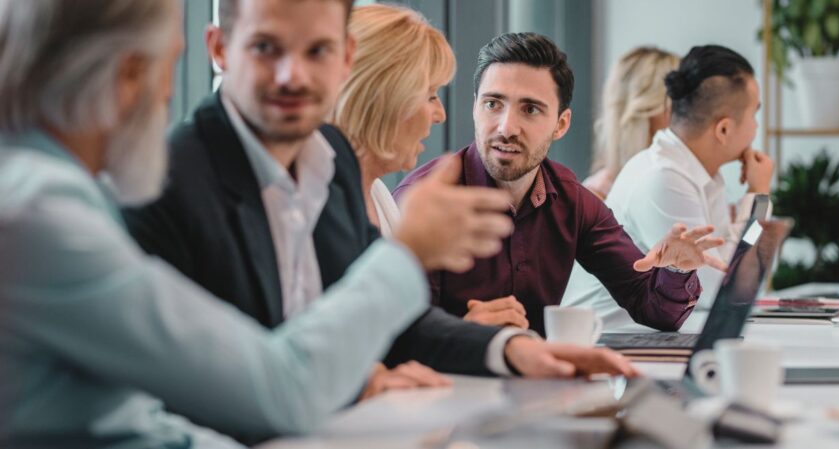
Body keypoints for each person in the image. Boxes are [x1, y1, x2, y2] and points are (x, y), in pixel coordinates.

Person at [0, 1, 620, 447]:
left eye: (318, 50)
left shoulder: (332, 165)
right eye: (266, 47)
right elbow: (258, 386)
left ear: (345, 59)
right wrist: (406, 256)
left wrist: (512, 352)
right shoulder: (140, 189)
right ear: (216, 52)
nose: (293, 75)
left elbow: (381, 322)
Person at [394, 33, 727, 336]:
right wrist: (462, 335)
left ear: (561, 124)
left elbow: (654, 309)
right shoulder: (422, 200)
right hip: (444, 391)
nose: (506, 127)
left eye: (530, 109)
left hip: (537, 388)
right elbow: (387, 339)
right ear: (474, 108)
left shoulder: (573, 201)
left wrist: (675, 269)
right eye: (493, 104)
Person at [563, 45, 775, 330]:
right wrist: (759, 195)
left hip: (647, 343)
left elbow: (735, 273)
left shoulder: (697, 174)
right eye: (754, 116)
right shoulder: (662, 178)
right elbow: (727, 292)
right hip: (611, 350)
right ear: (724, 129)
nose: (755, 128)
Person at [332, 4, 451, 237]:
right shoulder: (314, 203)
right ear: (384, 100)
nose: (440, 114)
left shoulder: (377, 193)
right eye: (430, 96)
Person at [582, 47, 679, 200]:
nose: (686, 113)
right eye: (678, 102)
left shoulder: (679, 181)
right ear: (648, 107)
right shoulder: (594, 198)